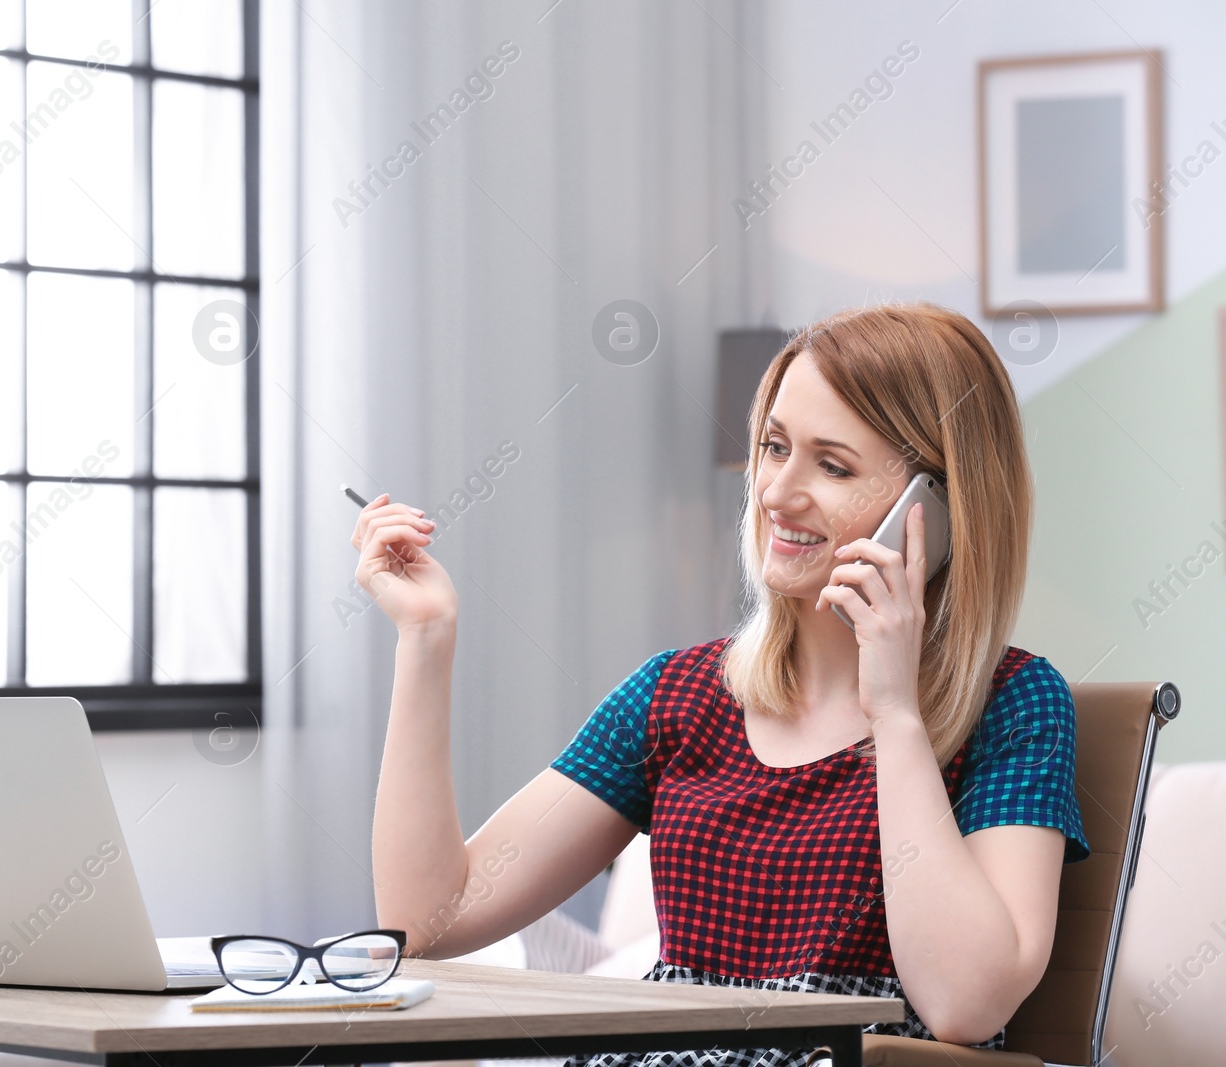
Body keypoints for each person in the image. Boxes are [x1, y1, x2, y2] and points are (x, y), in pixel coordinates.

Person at [353, 303, 1088, 1067]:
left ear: (933, 512)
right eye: (775, 447)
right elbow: (427, 921)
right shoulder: (677, 694)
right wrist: (425, 637)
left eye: (832, 465)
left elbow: (964, 1003)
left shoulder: (1015, 705)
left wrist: (896, 711)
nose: (776, 492)